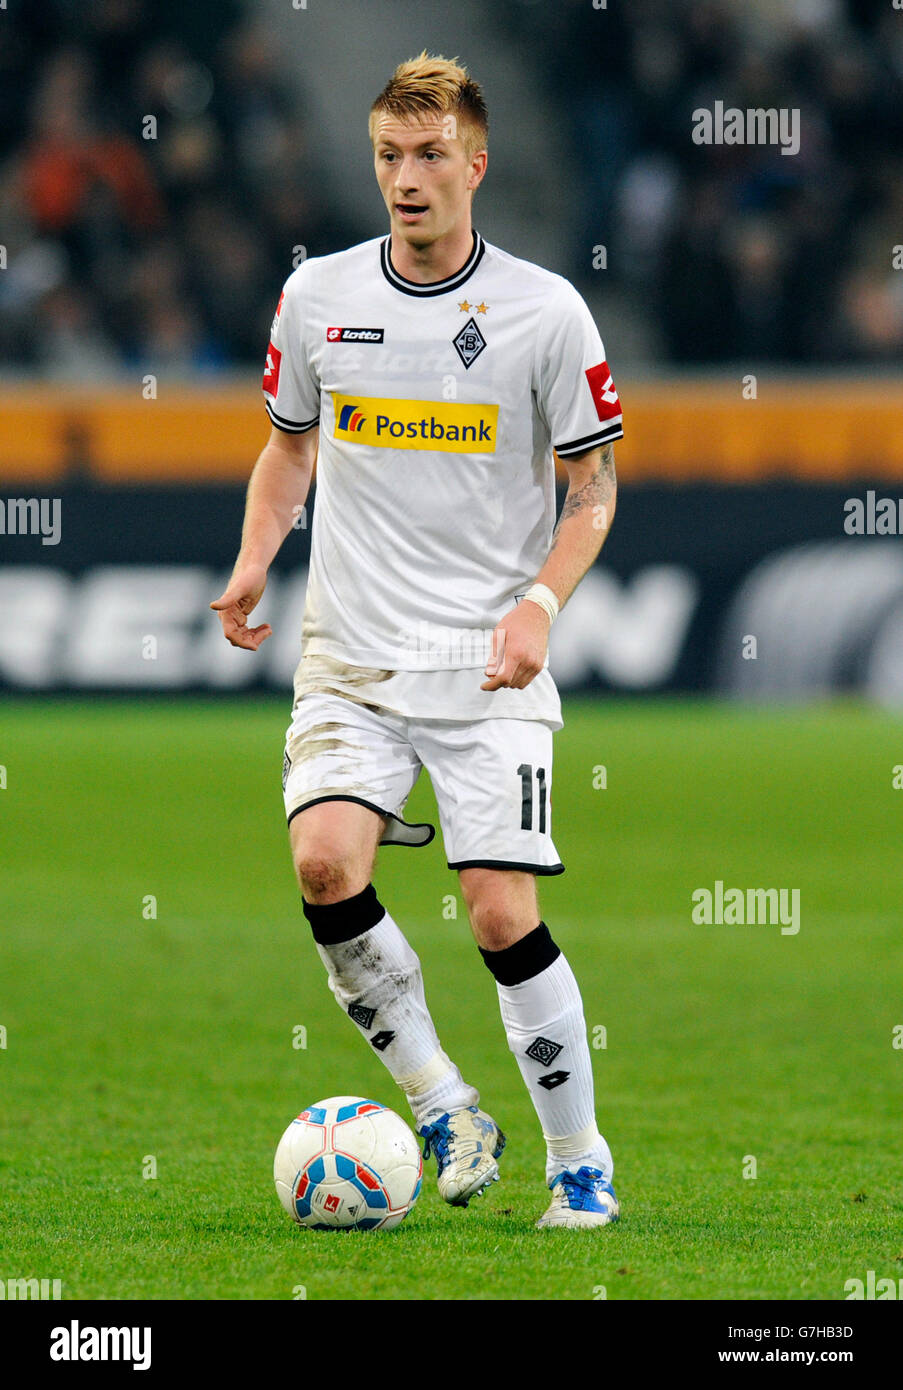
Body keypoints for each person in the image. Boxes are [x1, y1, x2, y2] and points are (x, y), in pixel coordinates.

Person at [212, 53, 623, 1229]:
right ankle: (442, 1102)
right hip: (351, 650)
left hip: (487, 662)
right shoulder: (318, 298)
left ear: (476, 165)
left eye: (431, 154)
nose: (407, 177)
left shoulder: (546, 313)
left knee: (499, 913)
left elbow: (591, 495)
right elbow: (290, 446)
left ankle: (578, 1159)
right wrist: (254, 558)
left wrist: (539, 603)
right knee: (325, 865)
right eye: (390, 155)